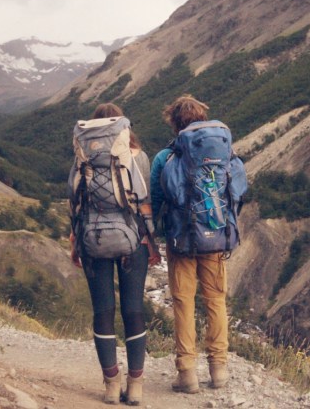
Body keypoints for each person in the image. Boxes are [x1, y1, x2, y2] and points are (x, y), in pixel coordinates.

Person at [70, 102, 160, 406]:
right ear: (124, 128)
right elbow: (146, 201)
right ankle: (135, 386)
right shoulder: (139, 157)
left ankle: (111, 384)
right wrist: (152, 243)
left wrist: (75, 243)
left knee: (103, 311)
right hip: (132, 241)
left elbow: (75, 203)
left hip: (92, 241)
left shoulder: (82, 156)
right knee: (133, 311)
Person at [150, 95, 231, 393]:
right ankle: (219, 371)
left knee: (184, 303)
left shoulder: (165, 157)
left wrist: (152, 237)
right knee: (215, 301)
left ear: (174, 122)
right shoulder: (223, 152)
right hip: (216, 236)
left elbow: (155, 202)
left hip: (180, 239)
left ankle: (187, 374)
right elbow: (236, 191)